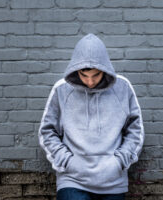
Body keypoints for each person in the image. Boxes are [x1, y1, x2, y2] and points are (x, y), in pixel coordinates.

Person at [38, 33, 145, 200]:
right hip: (73, 179)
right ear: (76, 70)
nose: (90, 82)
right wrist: (67, 162)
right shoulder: (61, 90)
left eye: (95, 75)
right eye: (84, 75)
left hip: (112, 181)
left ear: (104, 69)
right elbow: (47, 132)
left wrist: (119, 162)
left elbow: (135, 131)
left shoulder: (122, 88)